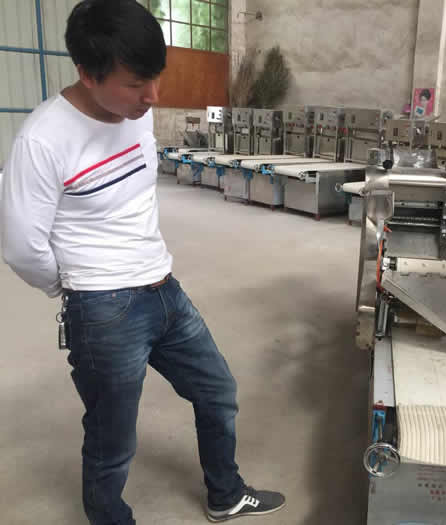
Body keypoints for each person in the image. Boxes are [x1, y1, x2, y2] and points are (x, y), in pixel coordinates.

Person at [0, 1, 285, 523]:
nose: (152, 96)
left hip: (164, 287)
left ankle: (225, 494)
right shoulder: (43, 141)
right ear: (87, 73)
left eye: (156, 77)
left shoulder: (138, 111)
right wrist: (75, 285)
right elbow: (21, 246)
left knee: (217, 391)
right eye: (135, 84)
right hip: (102, 309)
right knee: (112, 439)